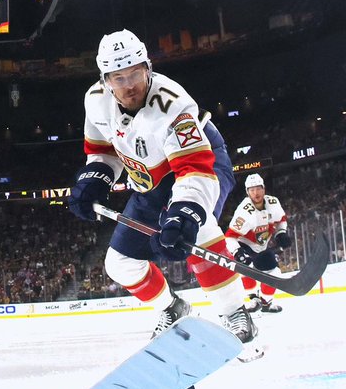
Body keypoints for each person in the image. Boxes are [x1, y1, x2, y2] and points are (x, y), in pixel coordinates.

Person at [68, 29, 260, 357]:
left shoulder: (172, 104)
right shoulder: (94, 101)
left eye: (135, 73)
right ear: (105, 80)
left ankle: (235, 314)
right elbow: (103, 151)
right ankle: (172, 308)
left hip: (202, 162)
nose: (129, 85)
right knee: (120, 264)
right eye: (119, 77)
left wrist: (185, 213)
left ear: (148, 68)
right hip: (150, 182)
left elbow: (195, 169)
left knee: (199, 229)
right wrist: (95, 179)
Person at [225, 173, 290, 313]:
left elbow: (282, 220)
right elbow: (229, 237)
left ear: (264, 189)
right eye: (252, 189)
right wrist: (237, 251)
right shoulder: (244, 212)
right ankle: (254, 299)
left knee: (274, 272)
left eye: (258, 188)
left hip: (261, 247)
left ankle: (266, 302)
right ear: (247, 192)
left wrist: (281, 232)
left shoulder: (273, 203)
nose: (256, 193)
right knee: (246, 269)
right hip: (245, 245)